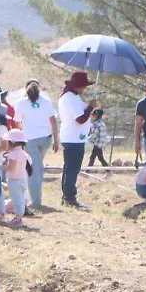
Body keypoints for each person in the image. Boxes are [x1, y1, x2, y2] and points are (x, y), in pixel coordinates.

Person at [14, 79, 59, 210]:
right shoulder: (46, 102)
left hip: (30, 139)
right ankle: (35, 196)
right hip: (45, 138)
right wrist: (56, 140)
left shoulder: (21, 103)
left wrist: (22, 130)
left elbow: (17, 121)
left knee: (34, 169)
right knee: (37, 166)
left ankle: (35, 201)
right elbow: (53, 121)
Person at [57, 71, 96, 208]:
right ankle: (69, 197)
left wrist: (90, 107)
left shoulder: (71, 97)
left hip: (73, 137)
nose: (84, 89)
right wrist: (90, 108)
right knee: (72, 169)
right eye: (83, 86)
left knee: (69, 168)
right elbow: (80, 119)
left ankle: (67, 196)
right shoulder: (70, 98)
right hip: (74, 138)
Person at [0, 129, 30, 225]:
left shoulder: (13, 153)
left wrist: (3, 166)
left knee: (16, 199)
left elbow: (11, 167)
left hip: (14, 180)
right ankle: (19, 216)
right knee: (20, 198)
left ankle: (18, 218)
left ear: (12, 142)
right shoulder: (23, 152)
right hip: (22, 178)